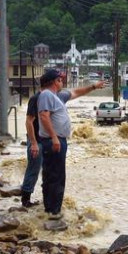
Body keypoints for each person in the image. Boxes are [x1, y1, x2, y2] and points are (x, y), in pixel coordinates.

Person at [37, 69, 105, 219]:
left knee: (51, 175)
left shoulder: (57, 96)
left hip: (56, 140)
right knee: (57, 176)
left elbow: (76, 92)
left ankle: (50, 209)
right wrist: (54, 137)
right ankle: (54, 212)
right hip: (54, 141)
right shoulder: (47, 94)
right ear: (54, 82)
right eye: (60, 80)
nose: (63, 82)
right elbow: (44, 116)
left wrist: (93, 86)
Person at [20, 81, 46, 208]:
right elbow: (29, 122)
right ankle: (25, 199)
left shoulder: (50, 99)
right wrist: (34, 143)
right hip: (37, 141)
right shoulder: (35, 99)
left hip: (46, 141)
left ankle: (46, 198)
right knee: (33, 170)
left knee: (47, 171)